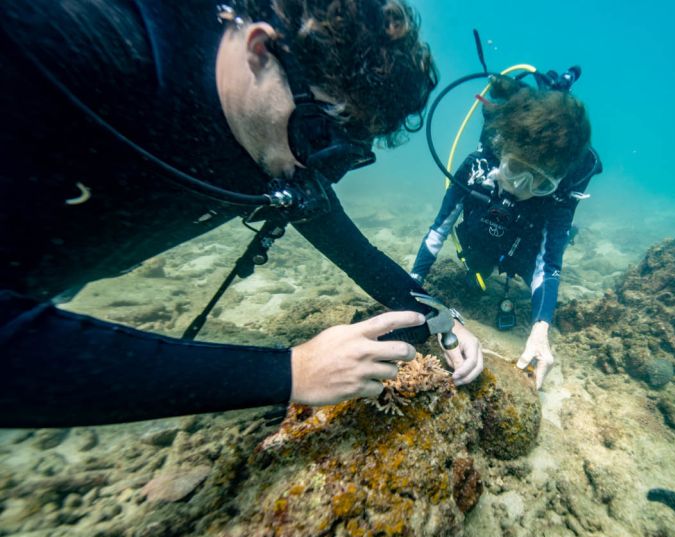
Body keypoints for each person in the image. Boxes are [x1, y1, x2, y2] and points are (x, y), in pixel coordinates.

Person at [0, 0, 483, 428]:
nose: (314, 169)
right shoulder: (61, 47)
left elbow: (352, 249)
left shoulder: (274, 138)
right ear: (259, 51)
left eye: (343, 156)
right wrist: (290, 373)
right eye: (318, 138)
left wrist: (442, 317)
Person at [410, 73, 601, 389]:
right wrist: (413, 282)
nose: (520, 189)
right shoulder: (477, 167)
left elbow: (548, 267)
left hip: (526, 253)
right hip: (482, 245)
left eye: (538, 182)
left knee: (544, 259)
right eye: (513, 170)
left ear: (555, 181)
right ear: (502, 149)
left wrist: (540, 330)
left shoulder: (557, 200)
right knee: (477, 274)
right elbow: (439, 230)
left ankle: (567, 235)